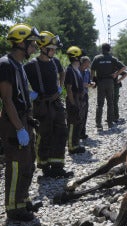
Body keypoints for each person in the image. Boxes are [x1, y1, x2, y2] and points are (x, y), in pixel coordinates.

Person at [0, 23, 41, 221]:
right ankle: (14, 208)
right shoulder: (6, 64)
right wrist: (19, 128)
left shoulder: (19, 66)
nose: (34, 48)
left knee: (28, 161)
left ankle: (23, 199)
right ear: (21, 43)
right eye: (32, 43)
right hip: (13, 122)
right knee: (16, 164)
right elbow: (7, 100)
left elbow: (21, 95)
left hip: (23, 119)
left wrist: (29, 121)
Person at [24, 31, 73, 178]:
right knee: (44, 135)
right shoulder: (31, 65)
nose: (54, 51)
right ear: (43, 48)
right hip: (41, 105)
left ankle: (58, 166)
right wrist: (30, 93)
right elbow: (20, 83)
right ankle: (45, 166)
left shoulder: (55, 61)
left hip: (56, 103)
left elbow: (62, 72)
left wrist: (60, 86)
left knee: (61, 132)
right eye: (51, 48)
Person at [91, 43, 126, 130]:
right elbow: (123, 67)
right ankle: (110, 123)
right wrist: (116, 74)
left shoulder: (97, 58)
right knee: (110, 103)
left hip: (100, 82)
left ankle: (99, 124)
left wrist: (94, 80)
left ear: (101, 49)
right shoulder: (112, 59)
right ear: (109, 49)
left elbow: (92, 70)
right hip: (110, 82)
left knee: (100, 104)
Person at [65, 46, 86, 154]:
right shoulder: (69, 70)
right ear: (76, 57)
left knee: (78, 122)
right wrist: (73, 104)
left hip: (78, 99)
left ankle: (76, 144)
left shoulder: (76, 69)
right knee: (72, 123)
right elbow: (69, 89)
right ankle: (71, 146)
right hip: (73, 99)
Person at [79, 56, 94, 139]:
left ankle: (82, 133)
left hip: (85, 95)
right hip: (78, 95)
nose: (89, 64)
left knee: (85, 114)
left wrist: (91, 83)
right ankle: (77, 133)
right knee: (78, 115)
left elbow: (87, 82)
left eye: (89, 63)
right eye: (87, 63)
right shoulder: (77, 70)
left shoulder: (87, 71)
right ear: (82, 62)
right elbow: (81, 84)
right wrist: (88, 85)